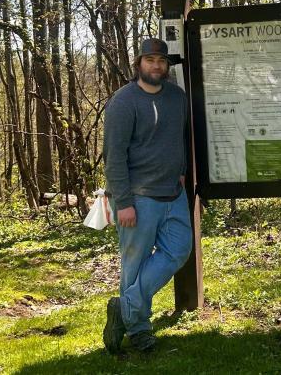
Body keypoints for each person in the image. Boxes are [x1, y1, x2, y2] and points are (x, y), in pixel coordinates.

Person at [102, 38, 191, 353]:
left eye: (161, 61)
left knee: (179, 249)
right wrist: (123, 202)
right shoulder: (124, 102)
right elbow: (113, 156)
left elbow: (178, 138)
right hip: (137, 198)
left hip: (173, 193)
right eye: (150, 60)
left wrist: (180, 169)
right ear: (138, 63)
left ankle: (124, 307)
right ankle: (139, 332)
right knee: (134, 263)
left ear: (167, 66)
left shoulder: (177, 98)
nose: (156, 65)